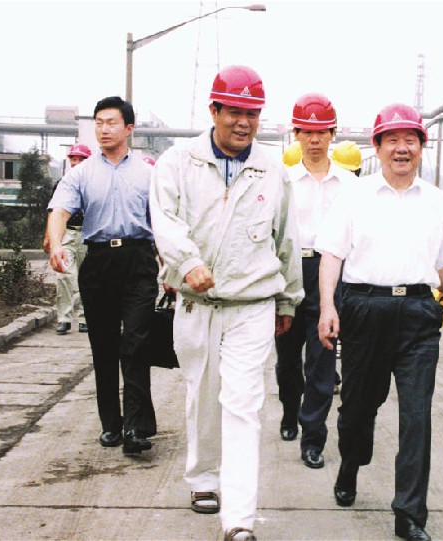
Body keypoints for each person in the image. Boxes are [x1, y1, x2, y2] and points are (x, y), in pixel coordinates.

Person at [149, 65, 302, 541]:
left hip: (251, 304)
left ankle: (238, 519)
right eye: (234, 111)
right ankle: (202, 478)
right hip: (196, 303)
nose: (243, 122)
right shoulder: (178, 162)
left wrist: (288, 299)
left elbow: (286, 239)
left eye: (252, 113)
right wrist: (187, 262)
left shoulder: (272, 171)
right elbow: (164, 221)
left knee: (243, 404)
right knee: (202, 394)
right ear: (213, 110)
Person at [316, 103, 443, 541]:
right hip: (365, 308)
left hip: (419, 313)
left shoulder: (438, 201)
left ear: (421, 147)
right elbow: (331, 255)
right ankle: (350, 462)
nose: (402, 148)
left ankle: (410, 514)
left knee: (417, 416)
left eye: (410, 140)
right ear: (378, 147)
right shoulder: (355, 196)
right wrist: (328, 307)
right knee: (358, 409)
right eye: (393, 140)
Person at [47, 96, 158, 457]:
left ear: (129, 128)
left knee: (136, 342)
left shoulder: (147, 173)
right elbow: (59, 210)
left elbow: (163, 221)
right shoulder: (80, 174)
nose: (104, 129)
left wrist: (173, 267)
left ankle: (136, 426)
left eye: (111, 122)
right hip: (98, 263)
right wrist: (56, 244)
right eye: (99, 123)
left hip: (139, 260)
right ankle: (112, 423)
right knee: (105, 345)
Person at [275, 93, 354, 471]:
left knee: (322, 361)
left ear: (332, 134)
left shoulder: (349, 185)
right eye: (307, 132)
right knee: (288, 358)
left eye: (322, 132)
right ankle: (290, 410)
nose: (315, 139)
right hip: (292, 272)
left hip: (332, 274)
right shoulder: (284, 181)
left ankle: (313, 437)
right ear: (296, 134)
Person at [44, 143, 91, 335]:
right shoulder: (62, 184)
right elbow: (53, 210)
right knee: (63, 274)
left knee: (87, 276)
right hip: (67, 233)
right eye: (74, 159)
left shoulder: (94, 183)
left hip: (88, 234)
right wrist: (49, 236)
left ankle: (85, 317)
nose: (76, 162)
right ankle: (64, 318)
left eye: (81, 159)